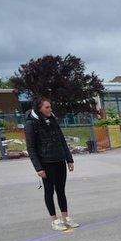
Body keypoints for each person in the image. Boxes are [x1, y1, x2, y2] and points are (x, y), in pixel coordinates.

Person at [25, 97, 77, 231]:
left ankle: (66, 218)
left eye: (50, 107)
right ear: (39, 109)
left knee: (61, 191)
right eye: (47, 107)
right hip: (45, 163)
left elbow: (62, 140)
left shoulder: (53, 119)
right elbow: (31, 148)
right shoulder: (31, 123)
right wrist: (38, 168)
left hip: (59, 159)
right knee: (49, 191)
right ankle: (54, 220)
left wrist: (69, 159)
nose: (50, 109)